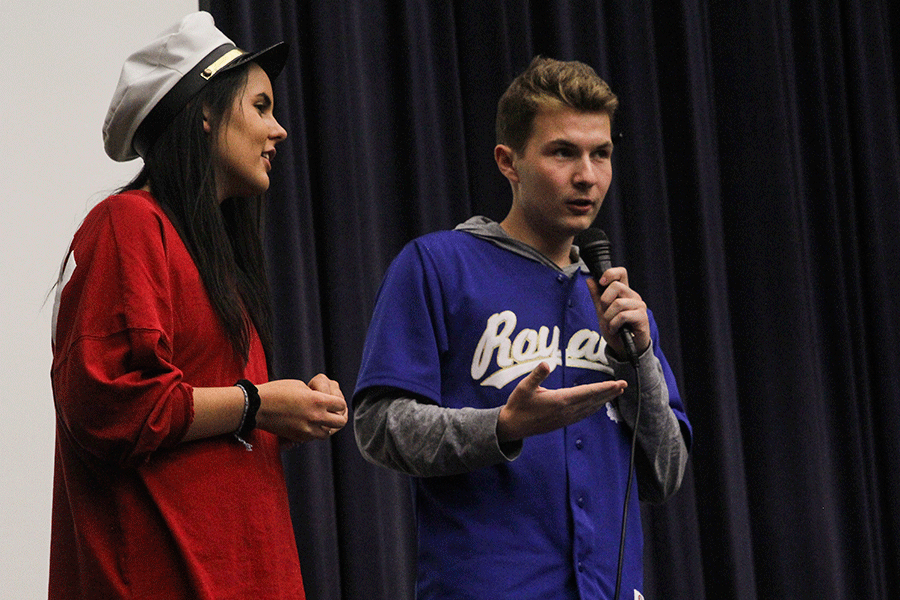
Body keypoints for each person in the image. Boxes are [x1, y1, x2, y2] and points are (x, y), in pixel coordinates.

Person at [353, 56, 692, 599]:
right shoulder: (437, 266)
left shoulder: (619, 305)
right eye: (563, 152)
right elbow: (378, 426)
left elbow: (663, 474)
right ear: (508, 162)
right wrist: (502, 426)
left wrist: (639, 358)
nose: (587, 175)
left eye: (600, 153)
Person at [49, 12, 347, 599]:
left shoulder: (211, 259)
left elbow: (201, 419)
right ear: (205, 114)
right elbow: (108, 403)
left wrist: (285, 411)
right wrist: (257, 403)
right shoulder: (128, 224)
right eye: (261, 106)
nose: (280, 129)